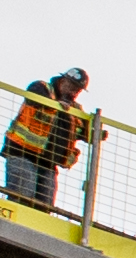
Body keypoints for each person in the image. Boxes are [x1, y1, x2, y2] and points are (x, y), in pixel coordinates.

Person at [5, 68, 91, 209]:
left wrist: (97, 132)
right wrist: (57, 105)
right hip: (22, 154)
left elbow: (87, 132)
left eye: (77, 90)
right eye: (72, 87)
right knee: (22, 198)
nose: (73, 92)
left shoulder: (75, 110)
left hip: (48, 164)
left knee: (45, 207)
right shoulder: (42, 88)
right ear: (62, 81)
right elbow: (34, 97)